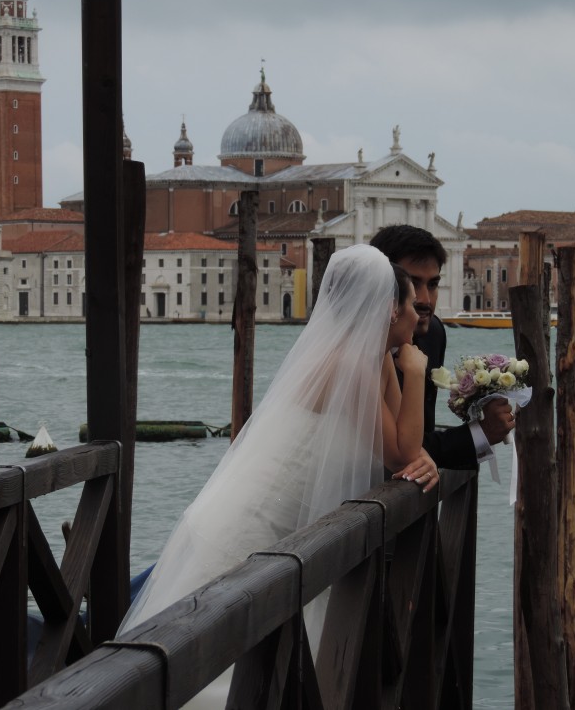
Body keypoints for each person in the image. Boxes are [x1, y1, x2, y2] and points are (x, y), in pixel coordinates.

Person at [118, 243, 433, 637]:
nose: (419, 308)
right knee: (216, 641)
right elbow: (403, 451)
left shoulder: (370, 358)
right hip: (259, 526)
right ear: (390, 309)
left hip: (285, 529)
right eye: (410, 301)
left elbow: (404, 447)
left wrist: (426, 459)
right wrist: (417, 373)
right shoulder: (348, 363)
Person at [370, 225, 515, 470]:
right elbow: (400, 452)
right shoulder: (359, 357)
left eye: (433, 284)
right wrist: (481, 434)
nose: (425, 299)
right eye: (412, 283)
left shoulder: (433, 334)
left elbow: (416, 435)